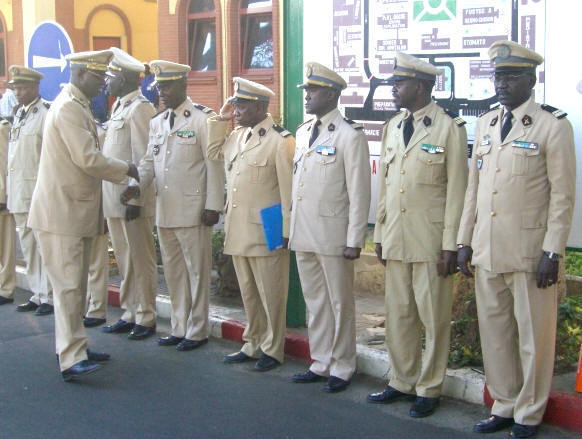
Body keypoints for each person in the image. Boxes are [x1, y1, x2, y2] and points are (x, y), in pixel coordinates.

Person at [457, 41, 576, 438]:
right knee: (495, 335)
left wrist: (553, 251)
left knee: (533, 339)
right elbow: (474, 188)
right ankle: (504, 404)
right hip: (487, 249)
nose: (502, 84)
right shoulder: (487, 123)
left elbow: (562, 195)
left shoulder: (552, 125)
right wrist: (463, 241)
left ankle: (529, 412)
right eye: (498, 76)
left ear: (532, 79)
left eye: (510, 76)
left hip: (529, 254)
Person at [28, 50, 141, 382]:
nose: (104, 85)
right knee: (67, 288)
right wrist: (127, 169)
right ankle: (71, 356)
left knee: (74, 286)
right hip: (60, 214)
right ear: (80, 75)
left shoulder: (74, 105)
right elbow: (89, 159)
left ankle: (75, 344)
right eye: (99, 78)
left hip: (71, 211)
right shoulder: (68, 109)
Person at [366, 53, 468, 417]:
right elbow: (388, 184)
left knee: (433, 319)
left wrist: (450, 244)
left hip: (430, 242)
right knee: (398, 315)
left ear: (422, 87)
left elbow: (457, 190)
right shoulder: (392, 126)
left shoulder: (449, 128)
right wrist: (379, 231)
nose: (394, 88)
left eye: (400, 83)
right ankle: (402, 380)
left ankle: (430, 386)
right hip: (396, 237)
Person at [121, 60, 224, 352]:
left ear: (183, 85)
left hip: (193, 211)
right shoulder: (157, 121)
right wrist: (135, 187)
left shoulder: (202, 119)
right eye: (159, 86)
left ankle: (198, 329)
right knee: (175, 273)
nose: (162, 92)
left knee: (196, 273)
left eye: (167, 85)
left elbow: (213, 164)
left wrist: (214, 205)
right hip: (165, 210)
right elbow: (149, 163)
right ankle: (179, 327)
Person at [289, 62, 371, 393]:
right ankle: (321, 360)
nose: (307, 96)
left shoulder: (350, 136)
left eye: (313, 90)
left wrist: (355, 239)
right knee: (316, 301)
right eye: (306, 90)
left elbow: (359, 192)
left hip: (334, 234)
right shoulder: (302, 130)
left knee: (340, 302)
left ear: (333, 94)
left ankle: (343, 365)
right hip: (304, 231)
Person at [207, 77, 295, 371]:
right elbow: (212, 153)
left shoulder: (281, 141)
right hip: (239, 228)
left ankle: (273, 348)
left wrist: (285, 232)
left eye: (241, 105)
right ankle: (253, 341)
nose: (237, 110)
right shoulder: (236, 137)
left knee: (272, 293)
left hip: (267, 228)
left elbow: (287, 192)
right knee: (249, 293)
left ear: (259, 107)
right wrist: (221, 120)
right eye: (235, 104)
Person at [98, 47, 157, 339]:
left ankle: (146, 315)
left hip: (131, 198)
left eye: (111, 76)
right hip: (114, 198)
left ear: (123, 77)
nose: (107, 82)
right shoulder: (119, 106)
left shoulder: (140, 108)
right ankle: (130, 310)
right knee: (124, 259)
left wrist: (137, 196)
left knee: (140, 258)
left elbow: (145, 157)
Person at [6, 66, 54, 315]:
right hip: (20, 192)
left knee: (42, 245)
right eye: (16, 88)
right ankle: (38, 293)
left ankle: (49, 296)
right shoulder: (21, 114)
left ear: (35, 87)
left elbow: (49, 156)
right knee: (28, 246)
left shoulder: (46, 113)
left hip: (36, 191)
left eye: (23, 88)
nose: (18, 93)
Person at [0, 116, 15, 305]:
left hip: (1, 196)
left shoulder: (2, 128)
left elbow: (4, 162)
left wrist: (3, 194)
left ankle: (5, 288)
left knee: (5, 247)